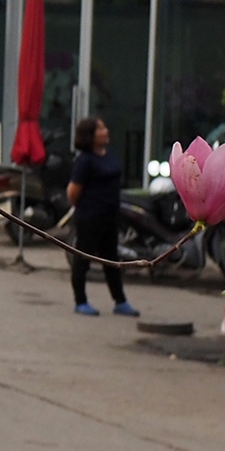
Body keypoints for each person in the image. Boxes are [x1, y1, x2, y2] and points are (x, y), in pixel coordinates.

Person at [68, 116, 139, 317]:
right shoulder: (84, 161)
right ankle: (80, 301)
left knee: (112, 260)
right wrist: (88, 208)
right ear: (90, 135)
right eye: (100, 129)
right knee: (83, 259)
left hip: (110, 216)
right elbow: (73, 192)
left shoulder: (108, 155)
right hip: (90, 217)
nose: (105, 131)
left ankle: (120, 301)